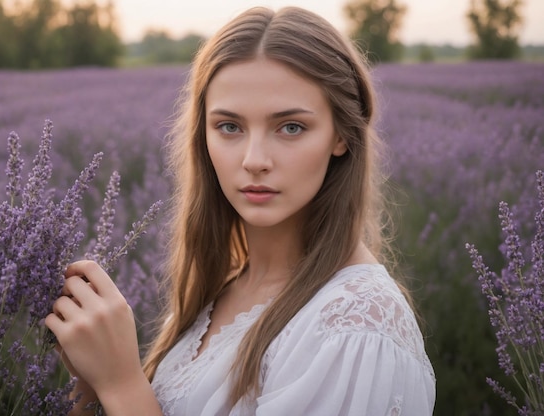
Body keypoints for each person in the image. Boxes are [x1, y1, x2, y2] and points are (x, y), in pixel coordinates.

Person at [45, 6, 436, 415]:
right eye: (229, 127)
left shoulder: (357, 327)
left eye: (291, 127)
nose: (254, 160)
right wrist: (92, 384)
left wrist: (123, 383)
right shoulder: (226, 286)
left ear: (341, 134)